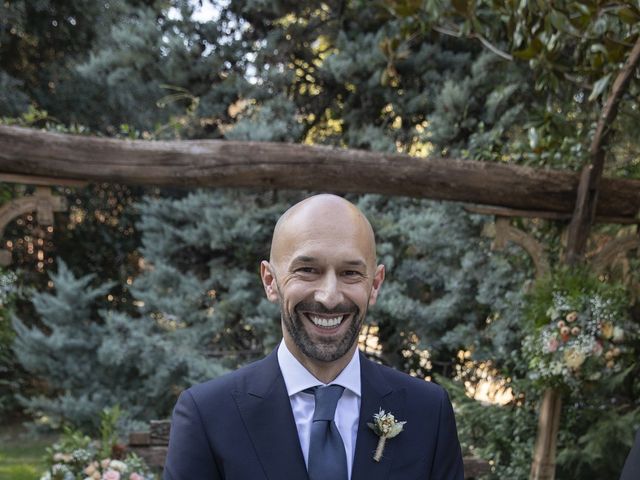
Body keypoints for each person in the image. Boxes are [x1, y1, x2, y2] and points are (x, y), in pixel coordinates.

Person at [163, 194, 464, 480]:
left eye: (350, 273)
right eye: (307, 270)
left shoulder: (428, 412)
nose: (329, 297)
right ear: (270, 281)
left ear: (375, 285)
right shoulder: (208, 415)